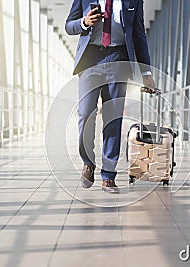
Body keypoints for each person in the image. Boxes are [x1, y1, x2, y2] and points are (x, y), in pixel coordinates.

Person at [65, 0, 156, 193]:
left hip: (118, 58)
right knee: (85, 113)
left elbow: (139, 35)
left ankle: (108, 175)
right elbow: (69, 25)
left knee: (113, 118)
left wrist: (146, 74)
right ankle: (88, 163)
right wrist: (84, 22)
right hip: (90, 60)